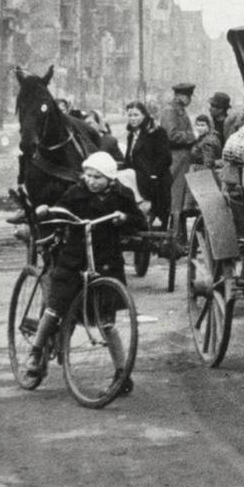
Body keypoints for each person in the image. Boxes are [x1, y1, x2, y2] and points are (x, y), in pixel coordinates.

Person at [22, 151, 147, 386]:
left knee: (106, 321)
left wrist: (124, 218)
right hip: (74, 258)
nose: (91, 181)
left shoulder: (122, 195)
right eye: (88, 175)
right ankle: (36, 351)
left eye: (97, 177)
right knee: (55, 307)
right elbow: (59, 210)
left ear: (110, 179)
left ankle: (122, 373)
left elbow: (139, 220)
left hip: (106, 261)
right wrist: (46, 211)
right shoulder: (76, 193)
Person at [157, 82, 196, 243]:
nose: (189, 100)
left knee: (179, 199)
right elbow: (171, 135)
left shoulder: (178, 110)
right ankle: (174, 237)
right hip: (174, 160)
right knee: (175, 199)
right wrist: (192, 136)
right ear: (180, 96)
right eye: (188, 96)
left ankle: (179, 237)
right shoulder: (170, 111)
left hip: (181, 161)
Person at [121, 101, 169, 225]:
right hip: (138, 174)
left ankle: (147, 210)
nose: (132, 119)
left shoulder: (156, 132)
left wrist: (155, 174)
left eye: (136, 115)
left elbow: (165, 156)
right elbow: (129, 157)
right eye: (130, 115)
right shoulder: (131, 134)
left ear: (144, 115)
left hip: (153, 177)